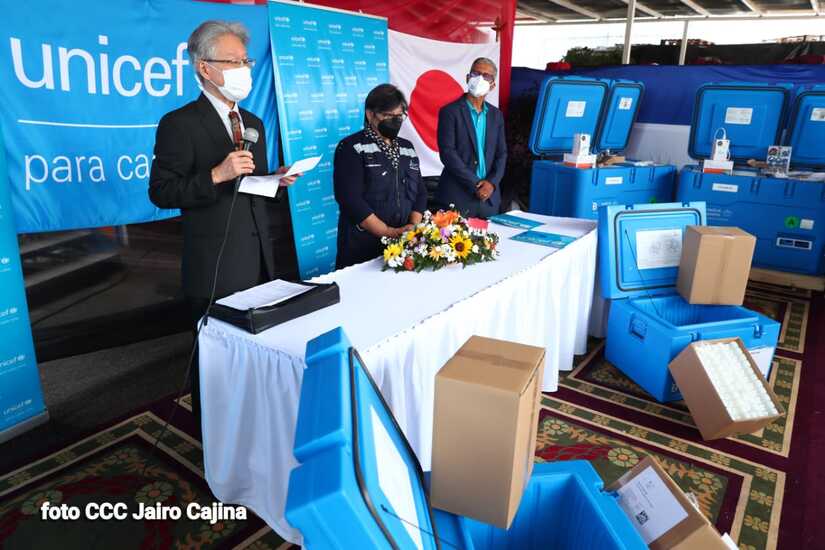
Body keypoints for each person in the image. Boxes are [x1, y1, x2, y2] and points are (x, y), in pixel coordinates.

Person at [148, 20, 298, 436]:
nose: (244, 69)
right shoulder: (179, 123)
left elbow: (250, 186)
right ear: (204, 68)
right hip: (214, 266)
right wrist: (216, 174)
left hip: (260, 259)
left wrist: (275, 181)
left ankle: (256, 433)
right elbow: (161, 191)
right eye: (234, 61)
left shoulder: (253, 122)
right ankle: (213, 444)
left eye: (246, 61)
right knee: (215, 367)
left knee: (257, 358)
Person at [333, 84, 427, 269]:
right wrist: (388, 231)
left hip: (404, 243)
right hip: (363, 245)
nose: (395, 121)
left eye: (399, 116)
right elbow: (350, 199)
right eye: (388, 116)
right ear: (370, 114)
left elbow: (420, 192)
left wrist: (412, 228)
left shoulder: (407, 147)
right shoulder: (352, 147)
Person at [434, 57, 507, 218]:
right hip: (457, 198)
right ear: (468, 78)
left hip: (489, 200)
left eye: (486, 76)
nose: (480, 79)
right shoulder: (450, 112)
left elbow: (501, 154)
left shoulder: (496, 115)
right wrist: (476, 184)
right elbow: (448, 153)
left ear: (492, 85)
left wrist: (491, 183)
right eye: (476, 74)